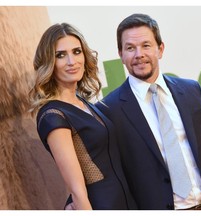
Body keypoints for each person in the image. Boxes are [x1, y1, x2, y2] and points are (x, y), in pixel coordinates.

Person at [95, 13, 201, 210]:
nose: (139, 54)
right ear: (121, 54)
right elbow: (112, 177)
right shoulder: (109, 109)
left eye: (146, 45)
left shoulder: (191, 91)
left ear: (160, 49)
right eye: (130, 48)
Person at [29, 23, 137, 210]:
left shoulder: (81, 102)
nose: (72, 61)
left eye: (77, 51)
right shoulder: (53, 115)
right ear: (49, 62)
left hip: (125, 201)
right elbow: (77, 191)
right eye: (60, 55)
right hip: (101, 205)